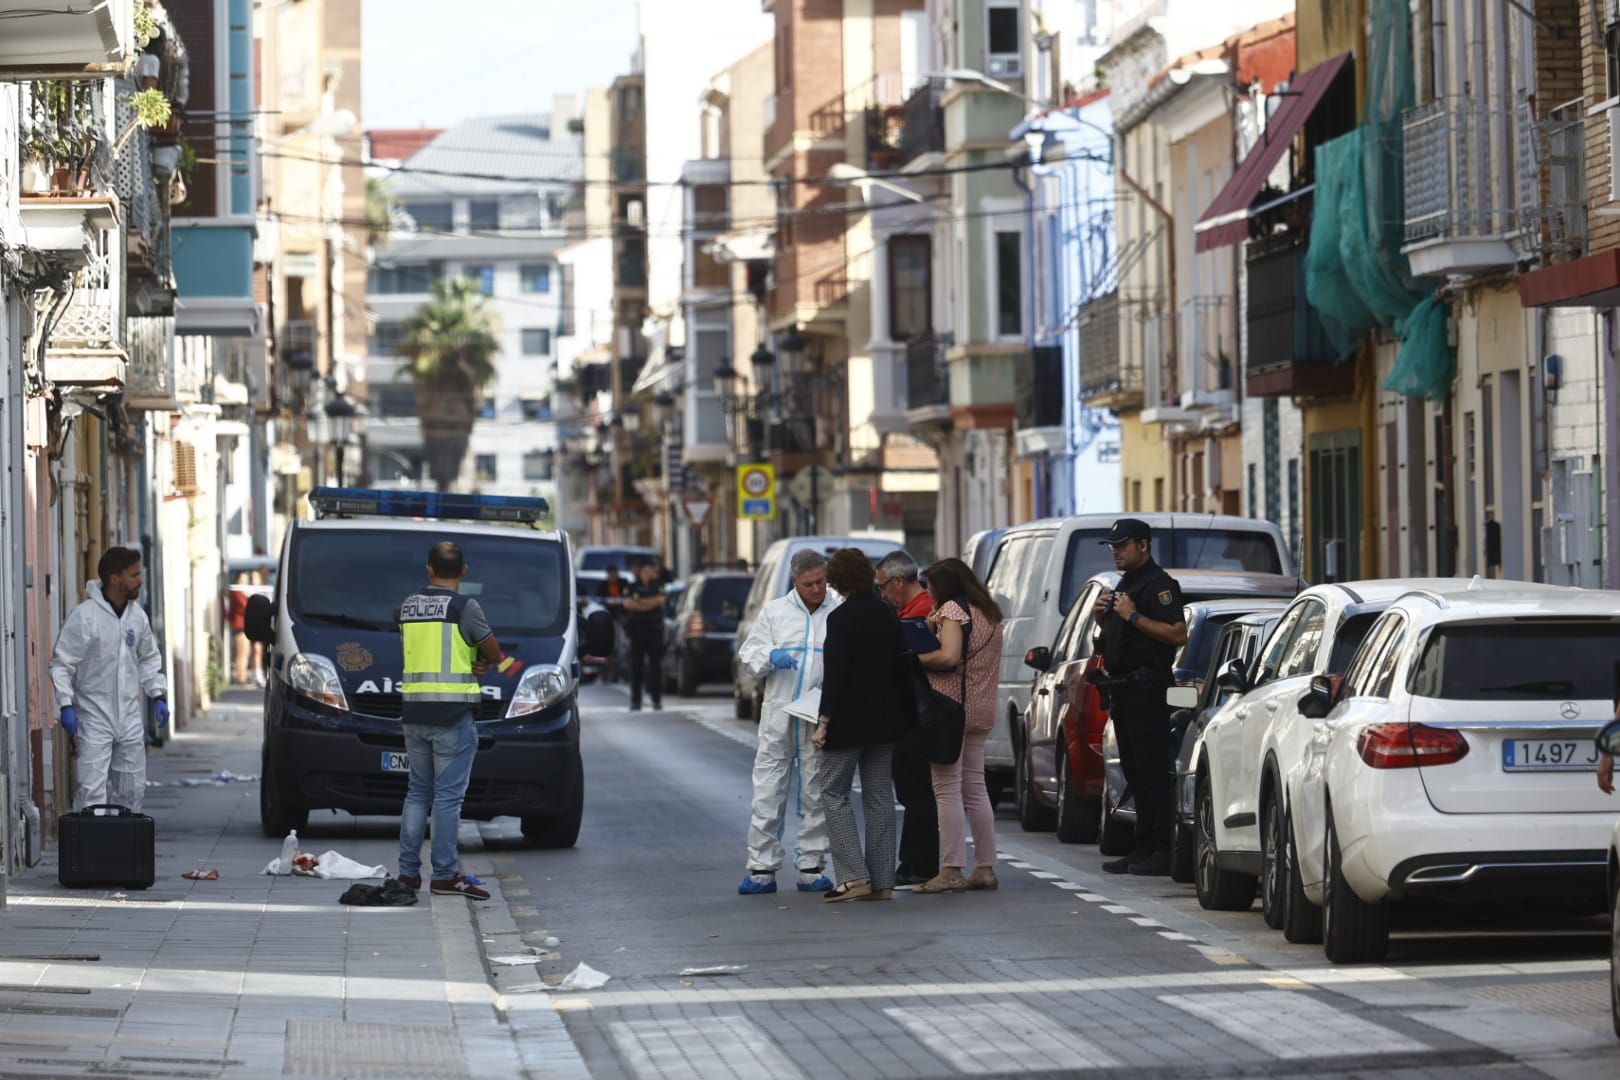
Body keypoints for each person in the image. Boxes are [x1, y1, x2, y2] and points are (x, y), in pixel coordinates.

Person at [396, 540, 517, 900]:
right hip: (451, 714)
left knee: (417, 793)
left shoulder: (408, 606)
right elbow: (493, 650)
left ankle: (407, 875)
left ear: (429, 570)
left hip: (414, 712)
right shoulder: (465, 606)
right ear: (464, 572)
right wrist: (482, 660)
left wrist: (471, 657)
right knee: (447, 799)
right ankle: (446, 875)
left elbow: (430, 647)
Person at [734, 549, 839, 894]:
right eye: (809, 584)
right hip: (779, 716)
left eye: (821, 581)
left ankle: (811, 866)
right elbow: (749, 654)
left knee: (816, 793)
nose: (816, 589)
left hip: (817, 717)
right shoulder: (775, 613)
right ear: (794, 581)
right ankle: (761, 869)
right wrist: (770, 657)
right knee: (768, 792)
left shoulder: (836, 610)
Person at [813, 549, 913, 902]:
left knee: (833, 792)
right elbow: (902, 667)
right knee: (879, 796)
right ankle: (883, 881)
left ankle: (853, 876)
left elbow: (836, 677)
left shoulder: (840, 619)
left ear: (838, 581)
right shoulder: (886, 612)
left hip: (849, 722)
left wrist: (823, 722)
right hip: (885, 721)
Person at [1092, 518, 1187, 876]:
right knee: (1135, 770)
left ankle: (1162, 849)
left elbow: (1177, 633)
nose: (1116, 551)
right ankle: (1142, 847)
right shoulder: (1127, 583)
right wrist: (1102, 617)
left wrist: (1131, 617)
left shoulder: (1160, 585)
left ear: (1143, 545)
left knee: (1151, 771)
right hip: (1125, 691)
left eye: (1122, 545)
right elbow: (1122, 634)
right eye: (1113, 546)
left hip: (1149, 691)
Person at [50, 546, 168, 813]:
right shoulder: (85, 617)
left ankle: (125, 850)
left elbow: (149, 657)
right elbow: (61, 663)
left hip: (128, 716)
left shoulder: (136, 617)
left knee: (132, 790)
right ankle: (93, 851)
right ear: (115, 578)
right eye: (134, 575)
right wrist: (66, 704)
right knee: (92, 792)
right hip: (93, 716)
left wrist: (157, 694)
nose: (140, 580)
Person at [915, 557, 1004, 894]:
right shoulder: (991, 614)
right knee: (975, 788)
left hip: (950, 709)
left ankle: (951, 868)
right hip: (980, 709)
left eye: (932, 587)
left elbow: (948, 657)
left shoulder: (954, 611)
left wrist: (914, 657)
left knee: (947, 788)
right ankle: (985, 866)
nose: (930, 594)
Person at [875, 550, 939, 887]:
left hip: (920, 713)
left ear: (899, 581)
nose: (882, 594)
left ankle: (919, 862)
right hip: (911, 710)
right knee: (912, 790)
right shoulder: (907, 610)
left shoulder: (922, 610)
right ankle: (913, 860)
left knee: (918, 790)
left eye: (884, 586)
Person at [622, 559, 666, 711]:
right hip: (637, 631)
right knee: (636, 668)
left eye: (650, 571)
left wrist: (640, 603)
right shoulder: (632, 586)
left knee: (655, 667)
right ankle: (636, 701)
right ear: (640, 572)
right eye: (645, 571)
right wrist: (648, 603)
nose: (648, 574)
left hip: (654, 631)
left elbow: (660, 601)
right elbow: (628, 603)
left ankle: (656, 699)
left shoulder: (658, 585)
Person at [227, 572, 252, 685]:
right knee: (242, 652)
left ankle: (243, 676)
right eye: (242, 580)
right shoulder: (236, 592)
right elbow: (244, 607)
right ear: (237, 580)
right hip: (239, 626)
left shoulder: (242, 592)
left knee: (246, 652)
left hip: (244, 625)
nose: (244, 583)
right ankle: (240, 678)